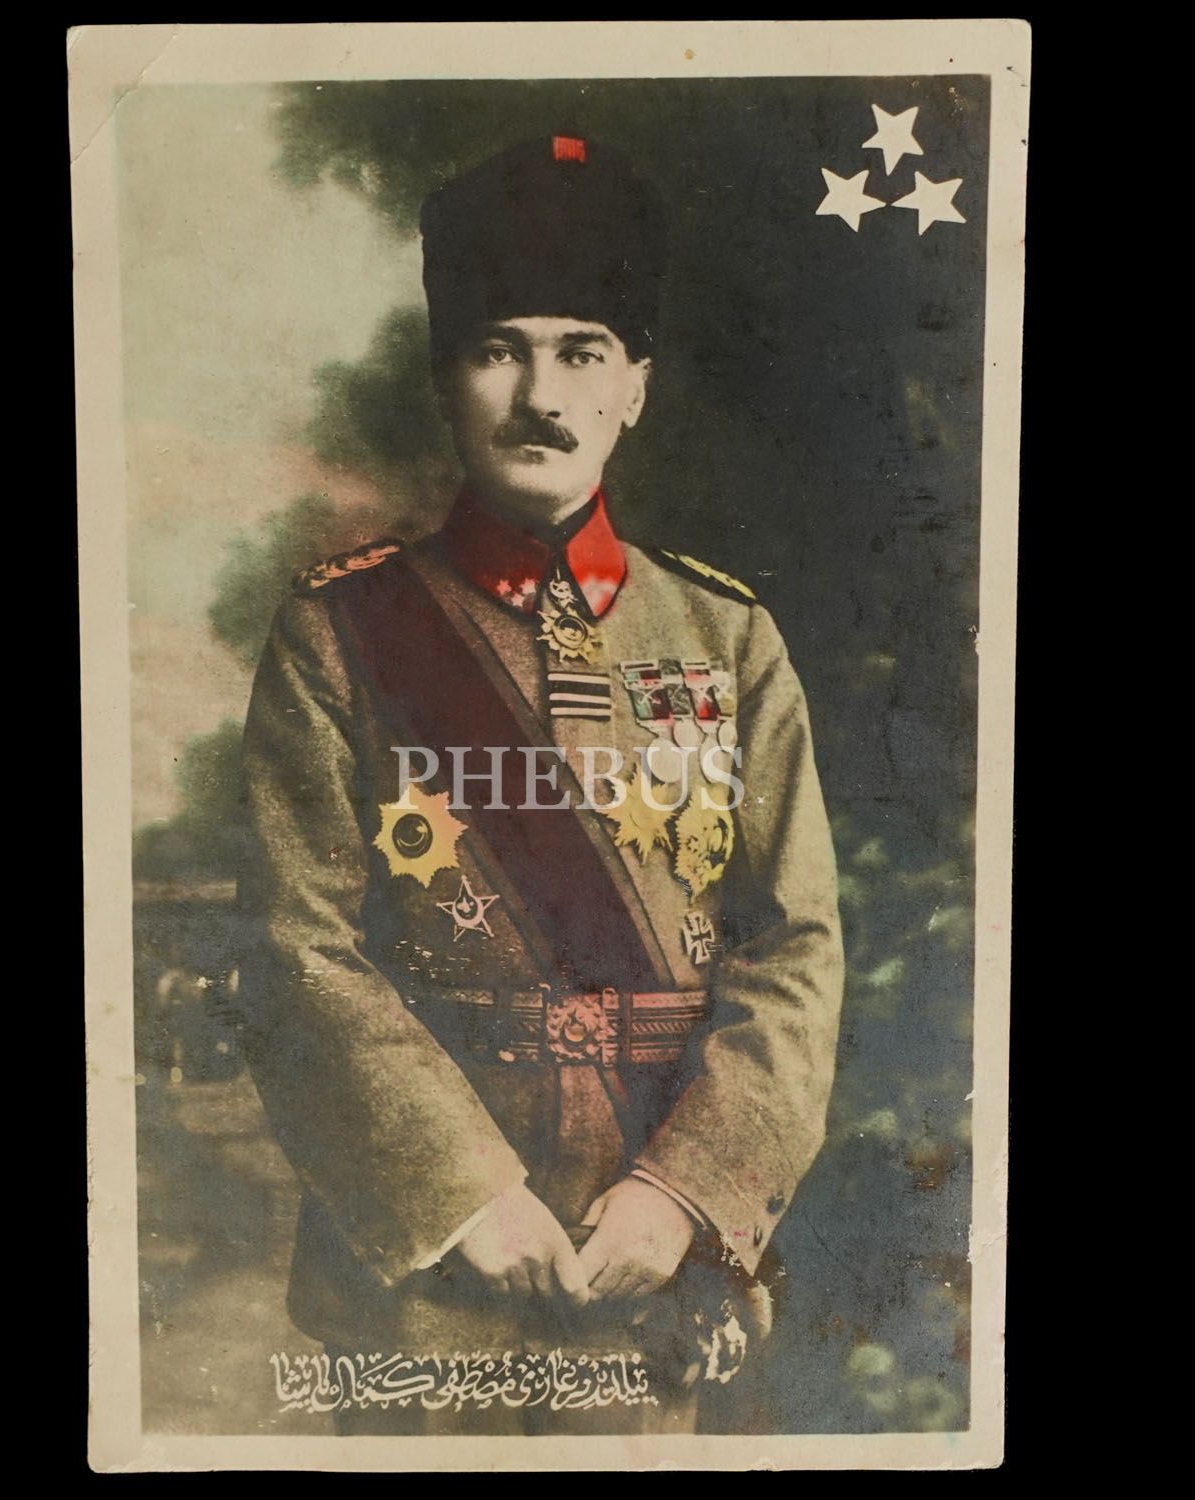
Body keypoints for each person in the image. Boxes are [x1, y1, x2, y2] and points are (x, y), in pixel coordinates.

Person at [238, 134, 844, 1435]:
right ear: (445, 381)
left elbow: (794, 948)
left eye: (581, 351)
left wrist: (683, 1192)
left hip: (658, 1264)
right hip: (426, 1276)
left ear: (636, 387)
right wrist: (461, 1192)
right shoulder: (338, 634)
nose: (539, 394)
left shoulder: (729, 638)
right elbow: (297, 947)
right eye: (498, 349)